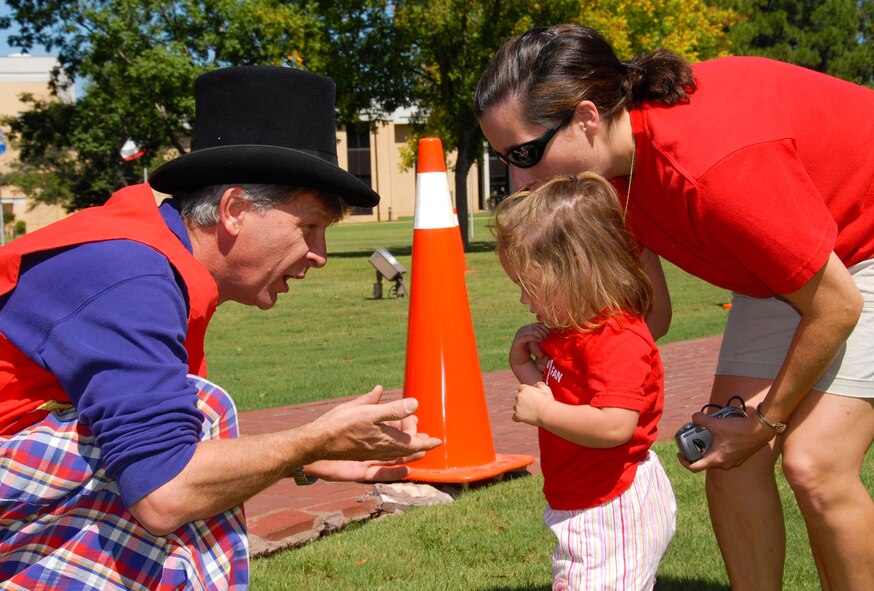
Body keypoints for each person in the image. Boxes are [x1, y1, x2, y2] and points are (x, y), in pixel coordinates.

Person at [0, 65, 441, 590]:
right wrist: (307, 443)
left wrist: (310, 454)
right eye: (309, 227)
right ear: (233, 209)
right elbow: (166, 492)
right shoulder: (131, 277)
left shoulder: (149, 256)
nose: (319, 256)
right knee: (198, 425)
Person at [474, 23, 874, 590]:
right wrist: (567, 357)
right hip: (792, 266)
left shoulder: (711, 168)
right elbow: (649, 316)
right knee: (725, 453)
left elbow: (835, 306)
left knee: (814, 463)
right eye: (503, 159)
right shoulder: (606, 180)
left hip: (862, 250)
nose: (518, 178)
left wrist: (765, 420)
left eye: (525, 152)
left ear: (587, 118)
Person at [494, 172, 676, 591]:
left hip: (613, 503)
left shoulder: (617, 339)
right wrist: (526, 370)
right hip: (584, 497)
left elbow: (615, 425)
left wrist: (543, 411)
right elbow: (567, 396)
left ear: (573, 272)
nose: (524, 300)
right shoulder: (573, 329)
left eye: (529, 287)